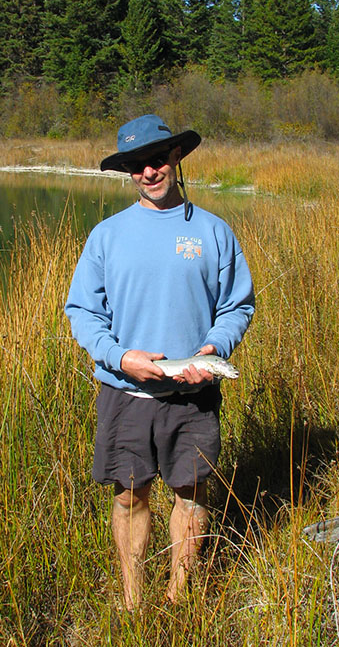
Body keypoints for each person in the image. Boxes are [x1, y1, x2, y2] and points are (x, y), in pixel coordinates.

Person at [65, 114, 254, 610]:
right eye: (136, 165)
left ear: (175, 158)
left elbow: (237, 306)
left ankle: (177, 594)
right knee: (128, 496)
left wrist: (215, 350)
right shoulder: (106, 235)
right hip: (124, 394)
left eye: (156, 160)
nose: (148, 172)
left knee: (190, 496)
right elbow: (82, 312)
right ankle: (132, 599)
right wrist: (120, 357)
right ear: (128, 172)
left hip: (192, 396)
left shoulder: (214, 232)